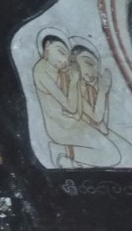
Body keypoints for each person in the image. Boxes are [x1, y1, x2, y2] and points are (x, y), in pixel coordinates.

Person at [31, 31, 122, 168]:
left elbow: (96, 118)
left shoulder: (67, 75)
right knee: (112, 155)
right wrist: (75, 83)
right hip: (61, 127)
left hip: (73, 123)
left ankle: (71, 159)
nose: (63, 60)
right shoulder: (41, 70)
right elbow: (72, 108)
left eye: (67, 57)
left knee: (118, 153)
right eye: (61, 51)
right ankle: (60, 151)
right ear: (47, 46)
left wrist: (102, 91)